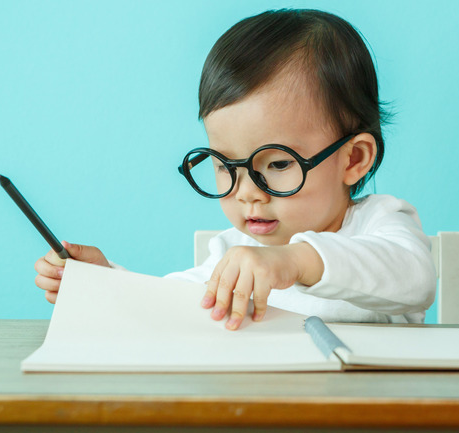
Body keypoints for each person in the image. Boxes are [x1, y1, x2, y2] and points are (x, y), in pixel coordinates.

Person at [34, 8, 436, 330]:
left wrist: (293, 261)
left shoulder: (379, 223)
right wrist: (104, 282)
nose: (246, 192)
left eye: (278, 163)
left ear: (353, 159)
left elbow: (415, 278)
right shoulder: (231, 253)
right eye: (225, 165)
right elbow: (168, 305)